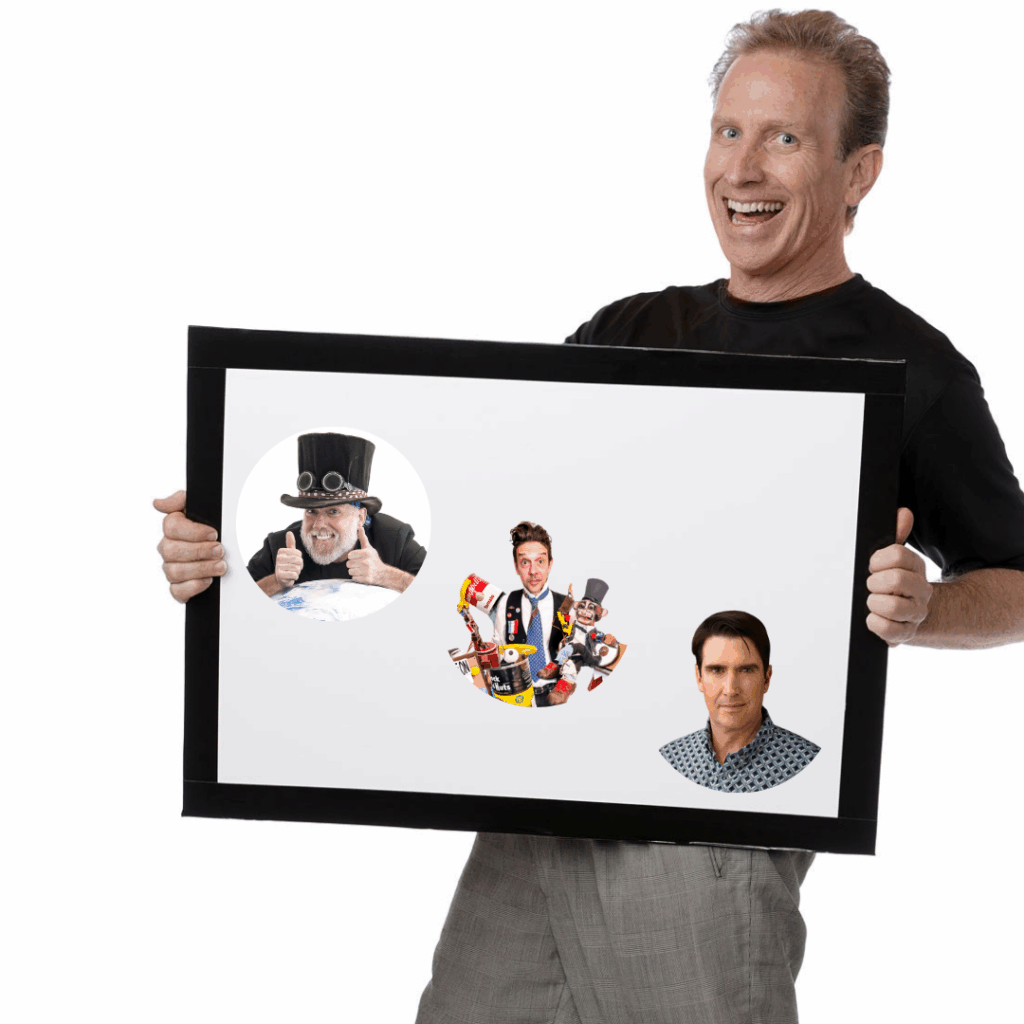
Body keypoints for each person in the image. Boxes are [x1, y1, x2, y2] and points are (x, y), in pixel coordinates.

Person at [156, 11, 1024, 1021]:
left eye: (784, 137)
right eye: (727, 130)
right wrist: (227, 560)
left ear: (858, 171)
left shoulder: (913, 369)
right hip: (543, 799)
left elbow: (1015, 582)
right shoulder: (628, 329)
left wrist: (923, 608)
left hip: (711, 826)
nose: (742, 166)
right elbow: (486, 530)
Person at [245, 432, 425, 596]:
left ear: (360, 517)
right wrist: (276, 581)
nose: (318, 525)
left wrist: (385, 575)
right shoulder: (280, 548)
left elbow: (439, 591)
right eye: (311, 511)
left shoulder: (395, 540)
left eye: (333, 511)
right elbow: (235, 598)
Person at [660, 610, 820, 792]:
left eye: (745, 670)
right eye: (717, 670)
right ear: (699, 678)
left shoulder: (808, 762)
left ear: (766, 678)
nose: (730, 690)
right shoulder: (671, 758)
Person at [487, 521, 567, 708]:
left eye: (540, 561)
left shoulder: (567, 604)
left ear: (550, 564)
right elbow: (499, 650)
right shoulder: (505, 603)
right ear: (516, 567)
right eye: (525, 562)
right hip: (518, 696)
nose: (533, 571)